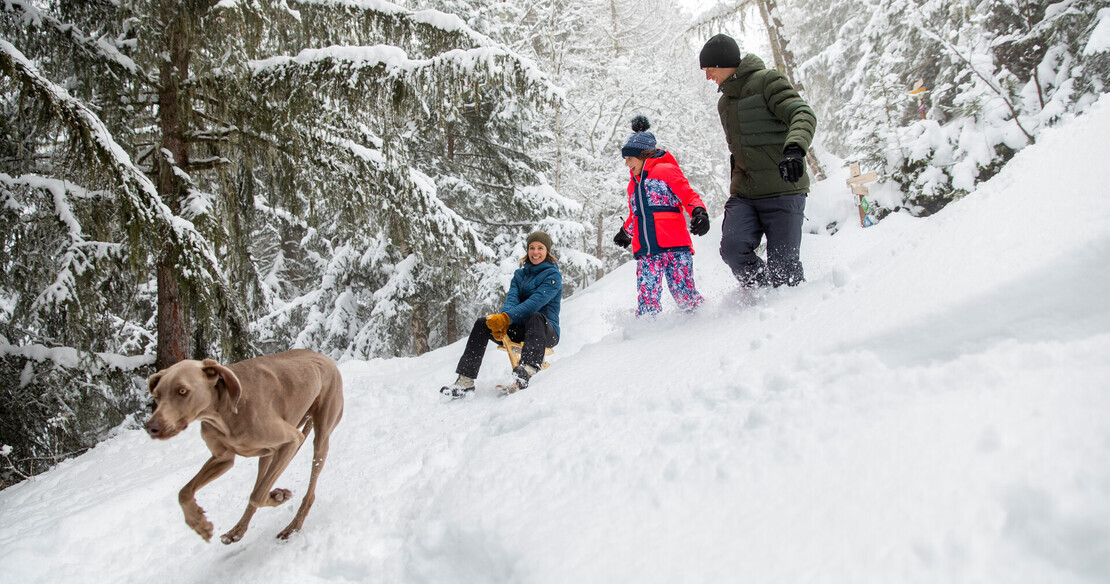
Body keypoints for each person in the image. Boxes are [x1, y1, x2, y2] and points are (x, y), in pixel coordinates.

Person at [699, 33, 816, 288]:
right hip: (745, 194)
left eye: (709, 69)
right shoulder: (724, 103)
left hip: (783, 188)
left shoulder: (767, 81)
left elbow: (801, 113)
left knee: (784, 271)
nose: (708, 77)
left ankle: (790, 301)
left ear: (723, 63)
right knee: (732, 249)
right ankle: (760, 294)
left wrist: (794, 149)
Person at [439, 231, 562, 397]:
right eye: (532, 248)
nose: (535, 252)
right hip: (521, 329)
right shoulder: (519, 275)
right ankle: (465, 381)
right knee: (483, 323)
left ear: (547, 251)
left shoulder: (553, 276)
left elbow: (535, 303)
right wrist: (503, 322)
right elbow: (511, 300)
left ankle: (528, 369)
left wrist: (506, 318)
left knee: (535, 316)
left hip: (545, 332)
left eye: (540, 248)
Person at [612, 115, 710, 317]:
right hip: (648, 252)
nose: (627, 164)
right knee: (647, 300)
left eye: (629, 159)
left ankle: (703, 322)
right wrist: (626, 232)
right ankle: (647, 331)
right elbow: (636, 214)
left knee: (684, 295)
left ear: (642, 155)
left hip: (676, 247)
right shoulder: (633, 185)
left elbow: (688, 195)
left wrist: (698, 211)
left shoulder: (666, 171)